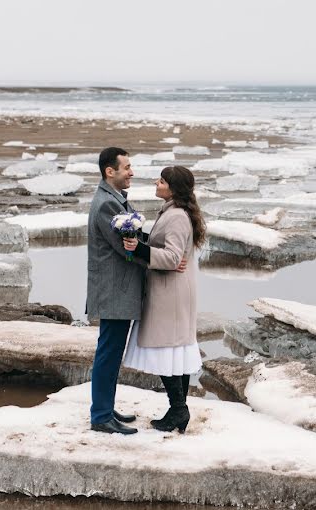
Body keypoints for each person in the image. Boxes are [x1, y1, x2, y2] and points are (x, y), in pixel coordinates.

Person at [122, 165, 205, 433]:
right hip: (171, 291)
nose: (156, 183)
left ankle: (179, 410)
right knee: (174, 351)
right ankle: (178, 410)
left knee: (168, 350)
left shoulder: (178, 216)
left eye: (162, 180)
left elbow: (171, 257)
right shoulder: (172, 212)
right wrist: (139, 238)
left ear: (173, 187)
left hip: (171, 293)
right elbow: (165, 247)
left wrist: (139, 250)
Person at [85, 147, 145, 435]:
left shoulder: (114, 199)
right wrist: (151, 254)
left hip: (115, 290)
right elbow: (125, 249)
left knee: (111, 352)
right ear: (110, 171)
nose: (131, 172)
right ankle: (101, 416)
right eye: (127, 167)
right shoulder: (107, 205)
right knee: (108, 353)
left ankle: (106, 407)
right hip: (113, 291)